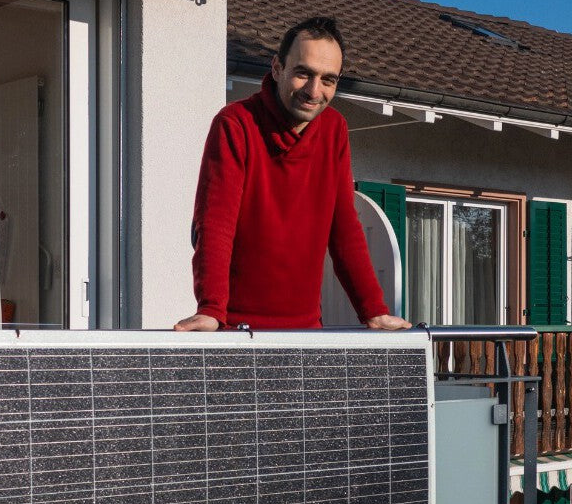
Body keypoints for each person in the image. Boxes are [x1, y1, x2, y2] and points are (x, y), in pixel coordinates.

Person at [174, 17, 410, 332]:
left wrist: (374, 311)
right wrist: (211, 309)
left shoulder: (334, 129)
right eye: (303, 73)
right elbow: (216, 223)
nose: (315, 90)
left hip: (305, 332)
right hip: (236, 331)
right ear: (277, 68)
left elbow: (344, 229)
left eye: (328, 79)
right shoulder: (236, 124)